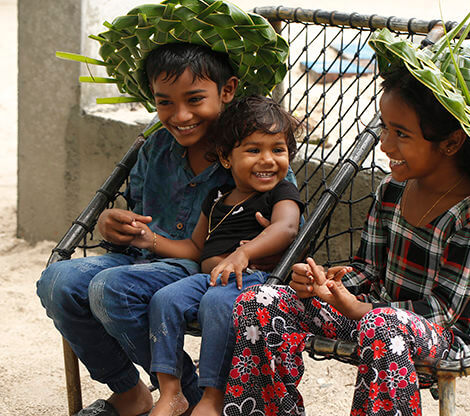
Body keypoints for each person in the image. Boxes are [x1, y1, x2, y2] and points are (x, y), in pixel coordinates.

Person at [36, 4, 291, 412]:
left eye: (195, 99)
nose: (181, 115)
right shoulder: (155, 147)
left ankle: (183, 394)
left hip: (202, 269)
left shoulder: (254, 157)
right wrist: (111, 223)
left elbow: (283, 217)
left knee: (110, 289)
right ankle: (130, 391)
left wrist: (255, 247)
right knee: (58, 281)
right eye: (165, 102)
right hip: (140, 260)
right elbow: (132, 217)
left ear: (227, 91)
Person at [222, 65, 470, 416]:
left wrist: (363, 310)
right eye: (385, 127)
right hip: (372, 315)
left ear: (451, 142)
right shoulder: (392, 189)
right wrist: (327, 284)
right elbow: (367, 269)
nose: (384, 144)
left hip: (440, 338)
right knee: (260, 300)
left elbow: (444, 311)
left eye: (401, 134)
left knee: (381, 325)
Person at [128, 95, 303, 416]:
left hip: (254, 280)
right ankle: (171, 391)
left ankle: (213, 396)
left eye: (278, 150)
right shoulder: (217, 197)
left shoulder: (282, 193)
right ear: (225, 157)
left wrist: (244, 253)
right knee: (165, 299)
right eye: (254, 150)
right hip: (209, 277)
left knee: (216, 303)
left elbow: (287, 228)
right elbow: (195, 248)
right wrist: (148, 239)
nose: (268, 160)